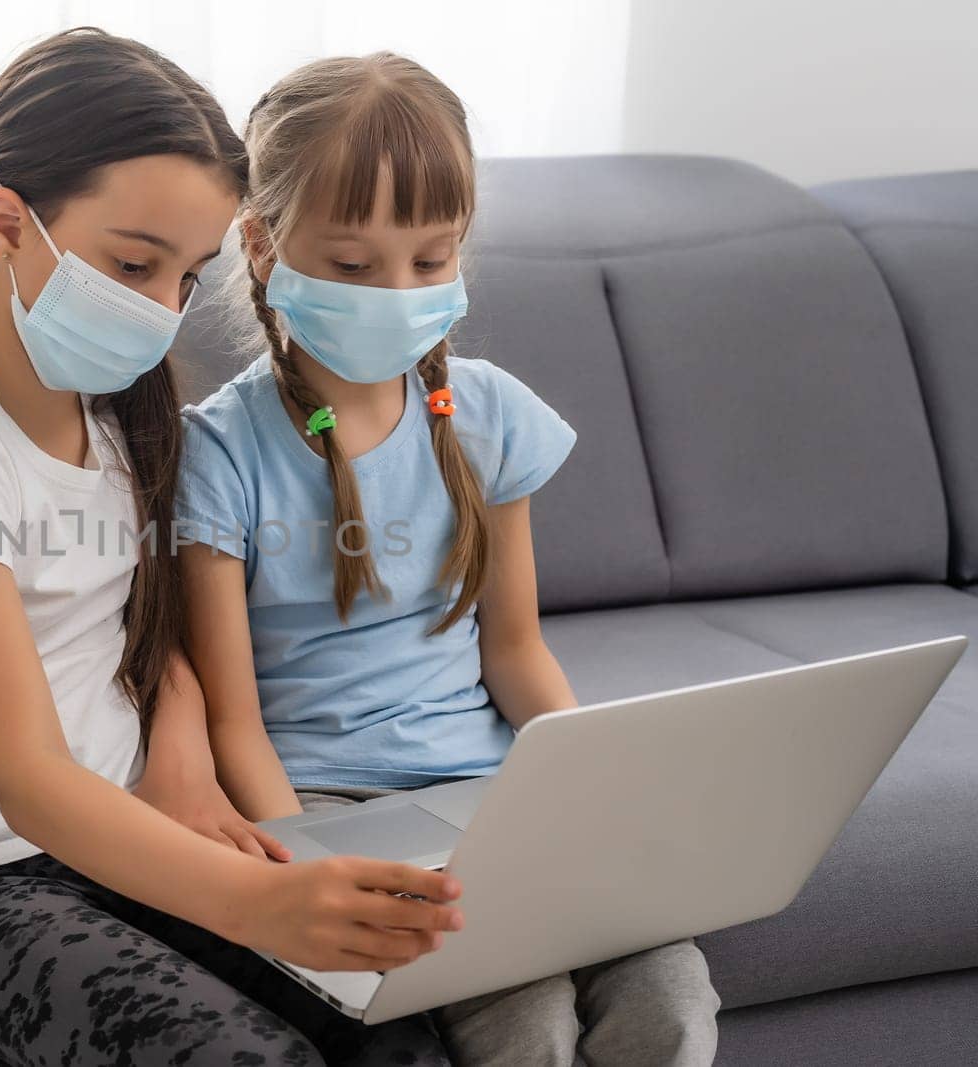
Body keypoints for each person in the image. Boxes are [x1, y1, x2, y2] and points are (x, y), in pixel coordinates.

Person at [0, 28, 463, 1066]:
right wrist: (261, 900)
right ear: (7, 221)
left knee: (405, 1036)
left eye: (186, 276)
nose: (161, 310)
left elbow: (149, 634)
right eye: (133, 263)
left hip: (131, 831)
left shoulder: (116, 419)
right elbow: (27, 777)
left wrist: (183, 770)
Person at [175, 51, 722, 1067]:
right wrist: (308, 863)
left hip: (497, 790)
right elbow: (229, 718)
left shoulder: (489, 416)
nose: (396, 289)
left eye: (430, 261)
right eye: (351, 263)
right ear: (260, 245)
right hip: (335, 806)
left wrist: (597, 784)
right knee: (524, 1025)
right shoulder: (214, 450)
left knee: (669, 995)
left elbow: (514, 651)